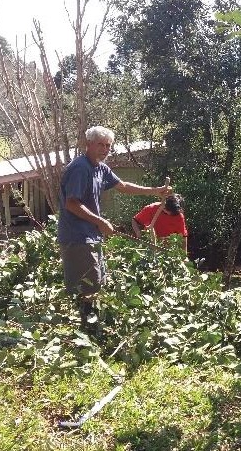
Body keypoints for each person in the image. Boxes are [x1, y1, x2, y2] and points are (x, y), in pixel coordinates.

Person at [57, 126, 171, 331]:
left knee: (97, 281)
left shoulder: (100, 168)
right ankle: (89, 333)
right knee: (89, 285)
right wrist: (100, 222)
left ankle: (92, 328)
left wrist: (155, 191)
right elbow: (71, 204)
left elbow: (123, 186)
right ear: (88, 144)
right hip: (77, 237)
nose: (104, 149)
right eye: (100, 144)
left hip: (91, 235)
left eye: (108, 145)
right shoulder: (80, 168)